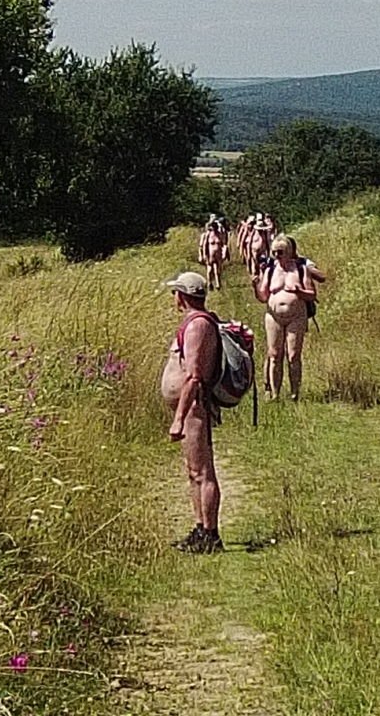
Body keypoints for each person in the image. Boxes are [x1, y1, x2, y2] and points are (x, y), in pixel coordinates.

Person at [158, 271, 223, 553]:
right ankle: (200, 529)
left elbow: (194, 376)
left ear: (182, 296)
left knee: (203, 471)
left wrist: (178, 418)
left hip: (195, 407)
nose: (174, 297)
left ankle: (211, 535)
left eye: (176, 292)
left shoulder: (198, 325)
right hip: (190, 408)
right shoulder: (194, 323)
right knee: (193, 471)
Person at [254, 234, 326, 401]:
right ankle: (275, 394)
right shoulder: (270, 270)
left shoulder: (301, 269)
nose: (277, 255)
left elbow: (312, 294)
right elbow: (263, 297)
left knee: (293, 355)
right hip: (273, 317)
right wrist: (254, 285)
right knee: (274, 354)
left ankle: (295, 394)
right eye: (274, 252)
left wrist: (299, 292)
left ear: (289, 252)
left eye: (280, 252)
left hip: (296, 317)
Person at [197, 216, 228, 291]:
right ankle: (209, 283)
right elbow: (204, 245)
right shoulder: (208, 235)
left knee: (218, 269)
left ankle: (218, 284)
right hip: (210, 254)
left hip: (218, 254)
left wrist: (224, 253)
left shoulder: (220, 234)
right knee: (210, 269)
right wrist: (204, 254)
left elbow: (224, 244)